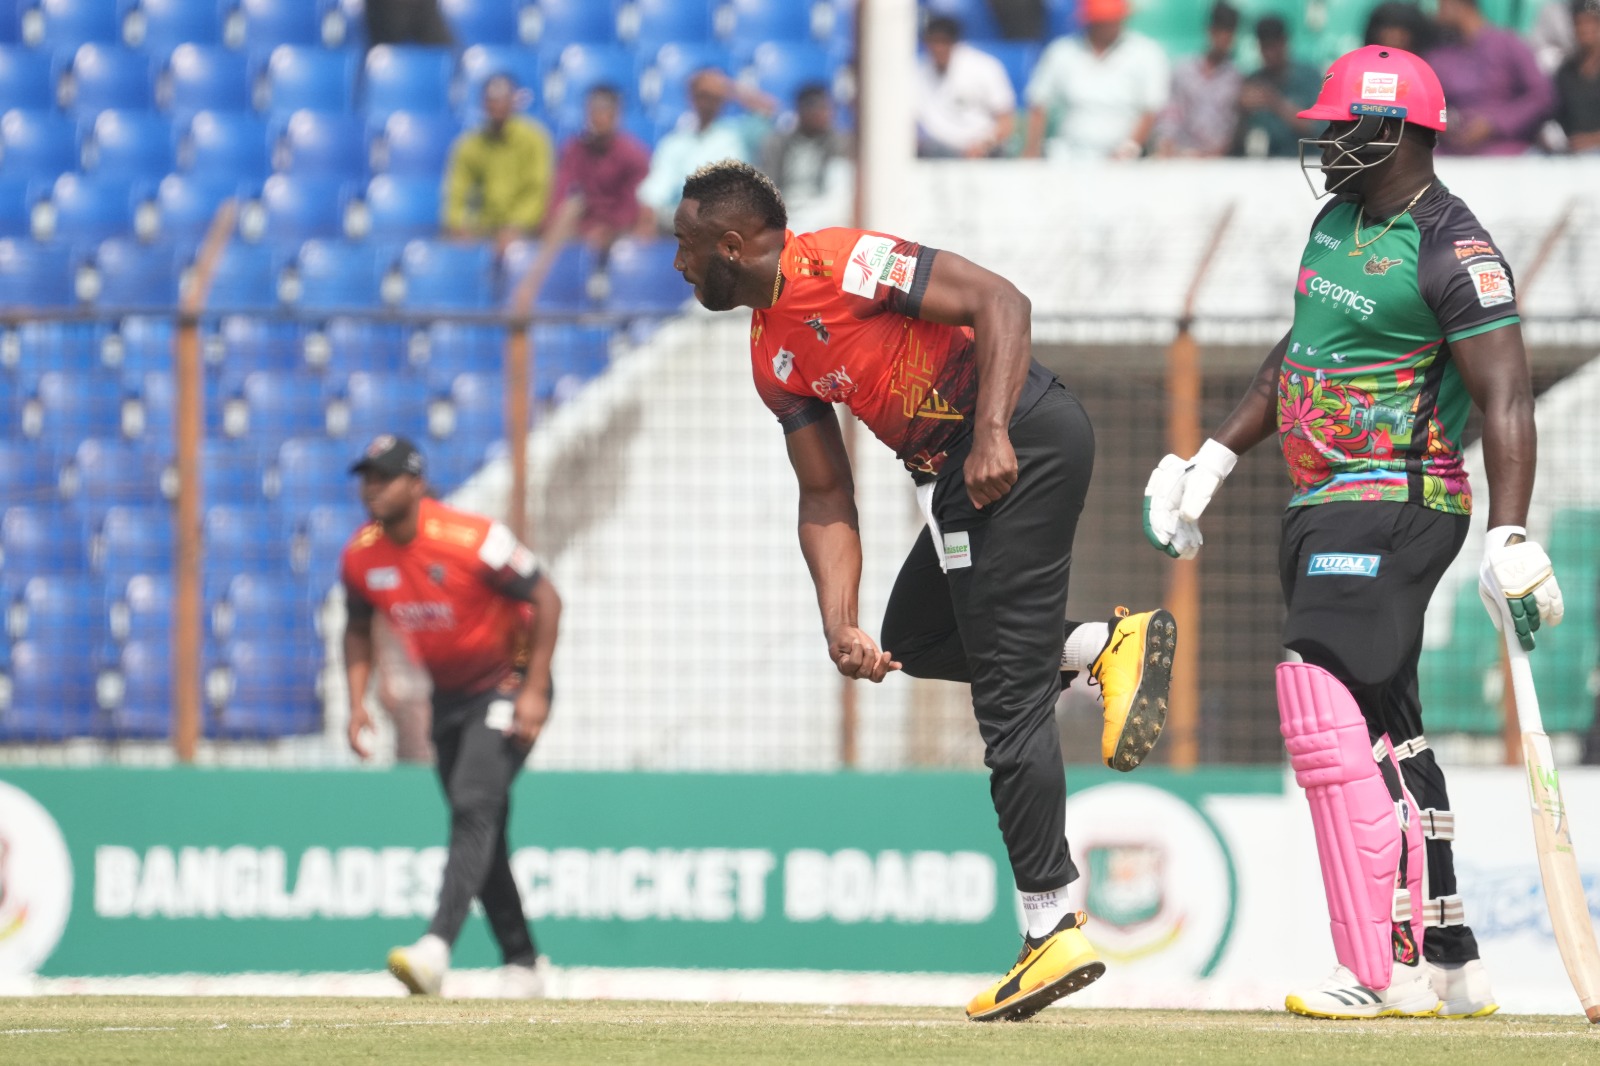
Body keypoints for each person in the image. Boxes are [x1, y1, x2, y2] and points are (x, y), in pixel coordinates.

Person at [671, 160, 1178, 1022]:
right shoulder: (769, 354)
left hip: (1020, 440)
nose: (678, 265)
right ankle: (1100, 646)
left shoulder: (845, 261)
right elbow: (825, 493)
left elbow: (1001, 302)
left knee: (1008, 697)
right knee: (915, 638)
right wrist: (839, 621)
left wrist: (991, 433)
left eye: (684, 247)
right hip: (956, 482)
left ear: (729, 244)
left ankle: (1051, 928)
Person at [1143, 46, 1564, 1020]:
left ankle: (1381, 964)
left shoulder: (1453, 248)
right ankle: (1449, 955)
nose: (1327, 143)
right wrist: (1212, 460)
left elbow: (1505, 397)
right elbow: (1297, 354)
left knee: (1320, 692)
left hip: (1400, 498)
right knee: (1384, 726)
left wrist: (1509, 534)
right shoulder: (1333, 223)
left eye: (1342, 127)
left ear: (1394, 130)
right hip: (1317, 501)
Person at [340, 435, 563, 998]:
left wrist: (535, 689)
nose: (371, 488)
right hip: (450, 697)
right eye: (366, 478)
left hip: (509, 682)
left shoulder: (473, 538)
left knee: (472, 805)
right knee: (481, 825)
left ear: (416, 484)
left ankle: (435, 949)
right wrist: (357, 702)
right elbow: (358, 628)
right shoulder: (361, 556)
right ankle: (523, 963)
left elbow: (547, 599)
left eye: (384, 477)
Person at [1023, 0, 1169, 160]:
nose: (1106, 26)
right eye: (1100, 21)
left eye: (1111, 20)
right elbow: (1039, 103)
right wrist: (1031, 151)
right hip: (1068, 154)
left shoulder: (1146, 52)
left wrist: (1128, 149)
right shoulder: (1062, 51)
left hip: (1126, 159)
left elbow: (1152, 109)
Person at [637, 68, 777, 231]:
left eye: (713, 97)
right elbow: (658, 187)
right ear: (691, 97)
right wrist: (649, 209)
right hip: (680, 220)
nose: (707, 102)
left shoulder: (740, 133)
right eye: (702, 95)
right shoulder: (674, 142)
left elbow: (768, 109)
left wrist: (729, 88)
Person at [442, 74, 555, 252]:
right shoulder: (469, 144)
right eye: (491, 100)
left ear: (514, 101)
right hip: (482, 229)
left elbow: (538, 190)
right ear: (483, 104)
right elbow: (456, 190)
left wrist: (517, 227)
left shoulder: (535, 139)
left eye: (502, 99)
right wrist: (457, 224)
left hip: (526, 231)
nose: (497, 106)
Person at [1427, 0, 1555, 155]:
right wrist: (1444, 124)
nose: (1436, 14)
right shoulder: (1440, 56)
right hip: (1451, 153)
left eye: (1441, 5)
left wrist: (1495, 123)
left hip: (1509, 153)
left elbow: (1542, 97)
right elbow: (1426, 103)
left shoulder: (1508, 44)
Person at [550, 84, 653, 258]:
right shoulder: (573, 150)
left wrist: (609, 229)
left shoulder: (633, 155)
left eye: (605, 110)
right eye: (593, 110)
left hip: (620, 234)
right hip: (578, 233)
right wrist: (583, 229)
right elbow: (560, 194)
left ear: (616, 114)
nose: (598, 117)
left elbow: (632, 204)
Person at [915, 16, 1018, 158]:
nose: (938, 48)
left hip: (984, 154)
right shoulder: (916, 73)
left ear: (955, 43)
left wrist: (983, 146)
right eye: (933, 42)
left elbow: (1006, 122)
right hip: (935, 155)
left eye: (944, 41)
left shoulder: (984, 67)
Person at [1154, 2, 1243, 158]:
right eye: (1220, 31)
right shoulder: (1184, 70)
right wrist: (1166, 143)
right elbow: (1171, 113)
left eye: (1229, 32)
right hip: (1180, 155)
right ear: (1210, 31)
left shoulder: (1236, 78)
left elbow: (1234, 126)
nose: (1224, 38)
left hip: (1218, 159)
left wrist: (1215, 153)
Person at [760, 84, 852, 231]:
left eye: (827, 108)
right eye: (817, 108)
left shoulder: (839, 142)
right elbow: (768, 183)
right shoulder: (778, 142)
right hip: (786, 209)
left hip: (822, 211)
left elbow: (837, 191)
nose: (824, 114)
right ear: (801, 110)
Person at [1234, 15, 1323, 158]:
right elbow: (1237, 144)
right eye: (1265, 47)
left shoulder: (1309, 77)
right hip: (1267, 164)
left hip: (1306, 161)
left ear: (1284, 42)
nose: (1269, 54)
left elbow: (1318, 130)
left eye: (1273, 46)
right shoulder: (1254, 81)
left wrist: (1275, 103)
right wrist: (1242, 112)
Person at [1555, 0, 1600, 153]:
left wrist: (1595, 139)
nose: (1584, 29)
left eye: (1589, 22)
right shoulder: (1565, 72)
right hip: (1572, 154)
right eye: (1578, 23)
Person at [1364, 2, 1438, 53]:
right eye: (1390, 31)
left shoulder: (1425, 65)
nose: (1395, 38)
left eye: (1402, 33)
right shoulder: (1363, 62)